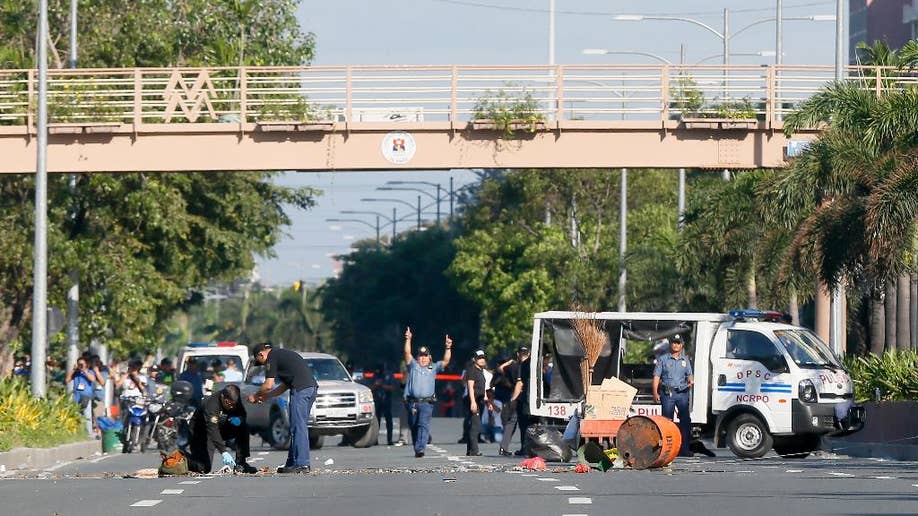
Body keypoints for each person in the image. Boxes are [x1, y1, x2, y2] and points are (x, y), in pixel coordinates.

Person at [247, 342, 318, 474]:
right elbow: (283, 386)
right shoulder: (281, 355)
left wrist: (256, 396)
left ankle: (302, 464)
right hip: (310, 388)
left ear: (261, 354)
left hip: (301, 390)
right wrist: (266, 396)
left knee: (298, 426)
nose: (263, 365)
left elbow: (268, 384)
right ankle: (292, 462)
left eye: (261, 362)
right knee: (296, 426)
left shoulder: (271, 358)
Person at [403, 326, 452, 458]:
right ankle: (417, 445)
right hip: (413, 402)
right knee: (413, 425)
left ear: (429, 357)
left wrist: (448, 347)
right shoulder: (413, 366)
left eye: (425, 356)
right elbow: (407, 354)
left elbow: (446, 361)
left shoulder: (434, 367)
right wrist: (408, 339)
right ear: (417, 357)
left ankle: (420, 449)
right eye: (421, 356)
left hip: (426, 403)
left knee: (423, 424)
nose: (423, 358)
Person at [187, 384, 257, 474]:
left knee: (243, 427)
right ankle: (182, 455)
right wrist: (223, 451)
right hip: (201, 434)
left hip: (220, 429)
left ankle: (241, 463)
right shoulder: (211, 404)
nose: (231, 407)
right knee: (203, 467)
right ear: (222, 397)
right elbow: (212, 429)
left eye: (233, 404)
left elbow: (242, 413)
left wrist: (239, 419)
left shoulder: (235, 401)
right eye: (228, 403)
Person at [652, 333, 694, 457]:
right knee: (667, 422)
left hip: (682, 393)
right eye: (674, 343)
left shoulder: (685, 360)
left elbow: (689, 374)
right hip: (667, 393)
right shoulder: (663, 359)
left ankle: (684, 449)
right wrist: (655, 392)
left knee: (685, 421)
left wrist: (691, 380)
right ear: (670, 344)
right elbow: (656, 377)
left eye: (678, 343)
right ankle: (667, 450)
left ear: (682, 345)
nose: (676, 345)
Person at [498, 346, 530, 457]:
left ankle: (504, 447)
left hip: (513, 396)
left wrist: (508, 363)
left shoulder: (513, 366)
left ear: (518, 354)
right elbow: (519, 383)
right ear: (529, 354)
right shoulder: (529, 365)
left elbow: (500, 369)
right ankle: (524, 448)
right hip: (523, 397)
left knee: (511, 423)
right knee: (524, 424)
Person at [462, 350, 488, 456]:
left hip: (480, 400)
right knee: (475, 425)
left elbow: (482, 386)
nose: (482, 360)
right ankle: (474, 450)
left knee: (474, 424)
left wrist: (486, 397)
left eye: (483, 358)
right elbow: (470, 387)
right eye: (479, 358)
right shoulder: (472, 370)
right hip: (474, 400)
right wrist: (473, 402)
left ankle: (470, 449)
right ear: (474, 359)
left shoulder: (480, 370)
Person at [371, 364, 396, 445]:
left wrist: (382, 385)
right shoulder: (375, 375)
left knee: (389, 421)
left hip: (386, 399)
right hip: (377, 400)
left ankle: (389, 439)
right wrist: (376, 385)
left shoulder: (389, 374)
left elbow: (392, 388)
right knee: (376, 421)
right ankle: (375, 440)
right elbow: (371, 388)